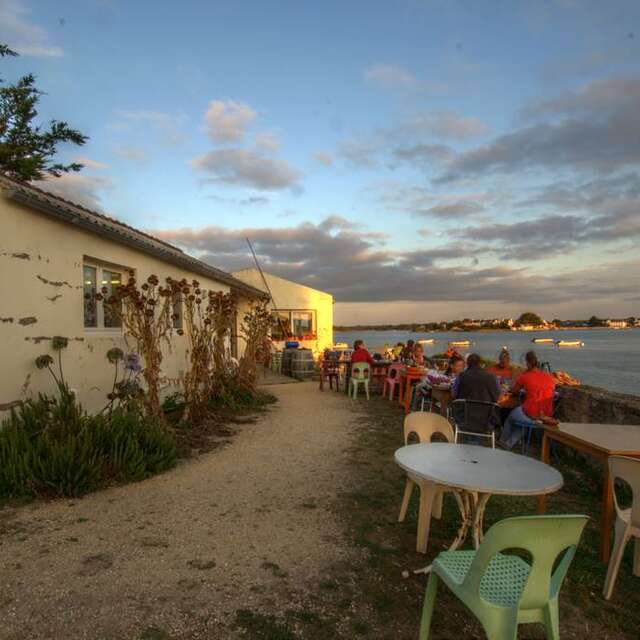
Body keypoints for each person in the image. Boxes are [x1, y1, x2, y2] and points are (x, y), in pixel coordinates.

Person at [499, 350, 556, 449]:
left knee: (511, 417)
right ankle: (508, 444)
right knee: (523, 422)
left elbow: (514, 391)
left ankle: (503, 442)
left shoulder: (525, 376)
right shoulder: (550, 377)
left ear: (528, 363)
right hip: (547, 415)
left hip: (532, 414)